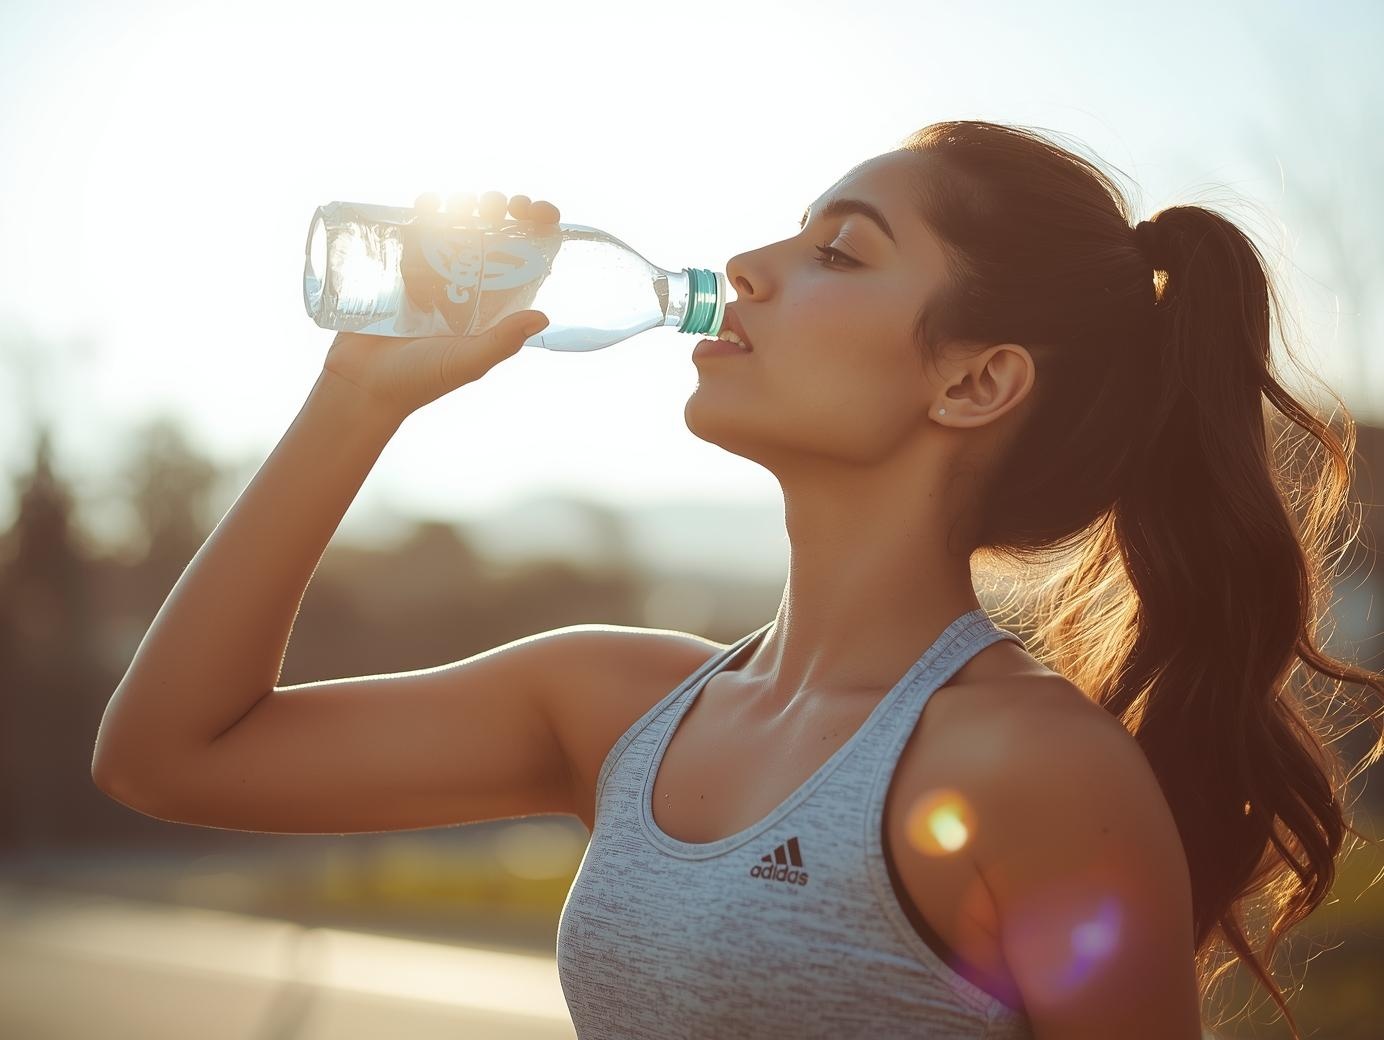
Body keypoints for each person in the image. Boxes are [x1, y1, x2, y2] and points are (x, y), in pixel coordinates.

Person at [91, 123, 1383, 1040]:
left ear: (975, 379)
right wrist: (356, 397)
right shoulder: (613, 704)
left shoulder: (1028, 769)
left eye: (840, 249)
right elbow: (170, 757)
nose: (750, 266)